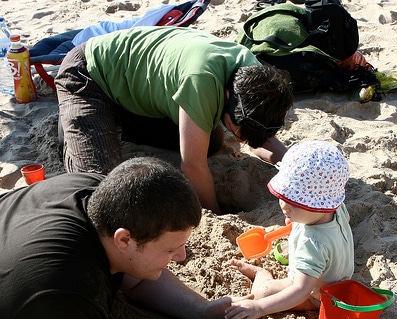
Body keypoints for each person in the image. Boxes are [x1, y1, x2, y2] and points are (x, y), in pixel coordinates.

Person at [0, 158, 263, 319]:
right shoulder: (68, 287)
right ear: (124, 239)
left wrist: (199, 310)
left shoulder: (98, 193)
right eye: (170, 248)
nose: (182, 257)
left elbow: (133, 274)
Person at [55, 26, 294, 214]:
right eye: (239, 128)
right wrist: (217, 214)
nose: (242, 139)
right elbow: (192, 166)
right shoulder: (202, 81)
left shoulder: (258, 83)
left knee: (211, 143)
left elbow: (260, 138)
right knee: (99, 190)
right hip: (89, 74)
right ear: (228, 95)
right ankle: (76, 126)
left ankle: (114, 123)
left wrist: (296, 165)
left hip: (139, 91)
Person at [225, 141, 354, 319]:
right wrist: (298, 222)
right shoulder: (335, 208)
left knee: (263, 293)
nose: (284, 206)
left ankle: (261, 273)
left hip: (318, 295)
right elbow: (344, 222)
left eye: (296, 202)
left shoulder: (312, 244)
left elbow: (300, 291)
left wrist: (259, 307)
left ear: (319, 206)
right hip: (339, 278)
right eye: (283, 197)